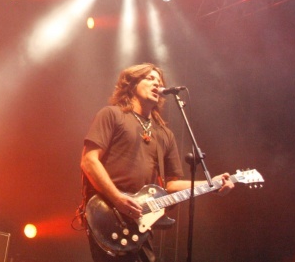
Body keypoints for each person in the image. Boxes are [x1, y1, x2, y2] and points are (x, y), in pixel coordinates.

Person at [80, 63, 233, 262]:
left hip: (140, 221)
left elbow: (170, 185)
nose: (157, 84)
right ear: (132, 84)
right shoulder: (112, 115)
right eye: (150, 78)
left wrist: (211, 183)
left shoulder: (164, 134)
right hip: (109, 213)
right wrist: (118, 198)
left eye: (159, 82)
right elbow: (89, 161)